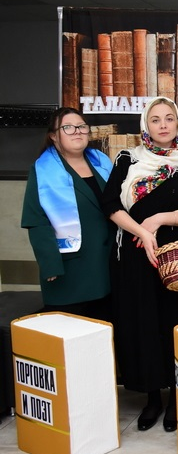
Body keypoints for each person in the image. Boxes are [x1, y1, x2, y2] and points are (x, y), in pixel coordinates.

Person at [101, 96, 178, 432]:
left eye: (169, 118)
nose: (163, 125)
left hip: (176, 259)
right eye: (156, 119)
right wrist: (142, 233)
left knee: (175, 324)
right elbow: (110, 204)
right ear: (145, 125)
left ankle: (177, 397)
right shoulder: (128, 159)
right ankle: (151, 398)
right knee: (141, 325)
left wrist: (160, 219)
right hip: (133, 256)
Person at [21, 107, 113, 317]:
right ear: (53, 136)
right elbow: (36, 220)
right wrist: (49, 264)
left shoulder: (102, 162)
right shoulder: (43, 170)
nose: (77, 131)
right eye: (68, 127)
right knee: (71, 330)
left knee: (105, 329)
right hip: (69, 269)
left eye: (81, 126)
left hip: (106, 265)